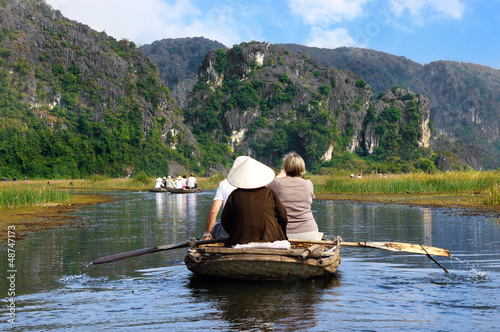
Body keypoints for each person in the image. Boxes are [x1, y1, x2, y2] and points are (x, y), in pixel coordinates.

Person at [221, 157, 288, 247]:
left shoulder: (234, 195)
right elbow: (283, 217)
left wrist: (236, 232)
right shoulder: (269, 193)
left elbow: (225, 221)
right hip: (272, 239)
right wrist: (282, 235)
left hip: (240, 240)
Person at [267, 152, 323, 241]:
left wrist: (279, 176)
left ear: (285, 168)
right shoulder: (308, 184)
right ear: (302, 168)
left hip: (283, 233)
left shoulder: (277, 183)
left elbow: (265, 186)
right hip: (308, 233)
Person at [202, 156, 249, 240]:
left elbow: (213, 211)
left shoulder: (224, 184)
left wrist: (207, 234)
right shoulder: (259, 185)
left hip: (229, 233)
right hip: (252, 232)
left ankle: (208, 237)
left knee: (215, 226)